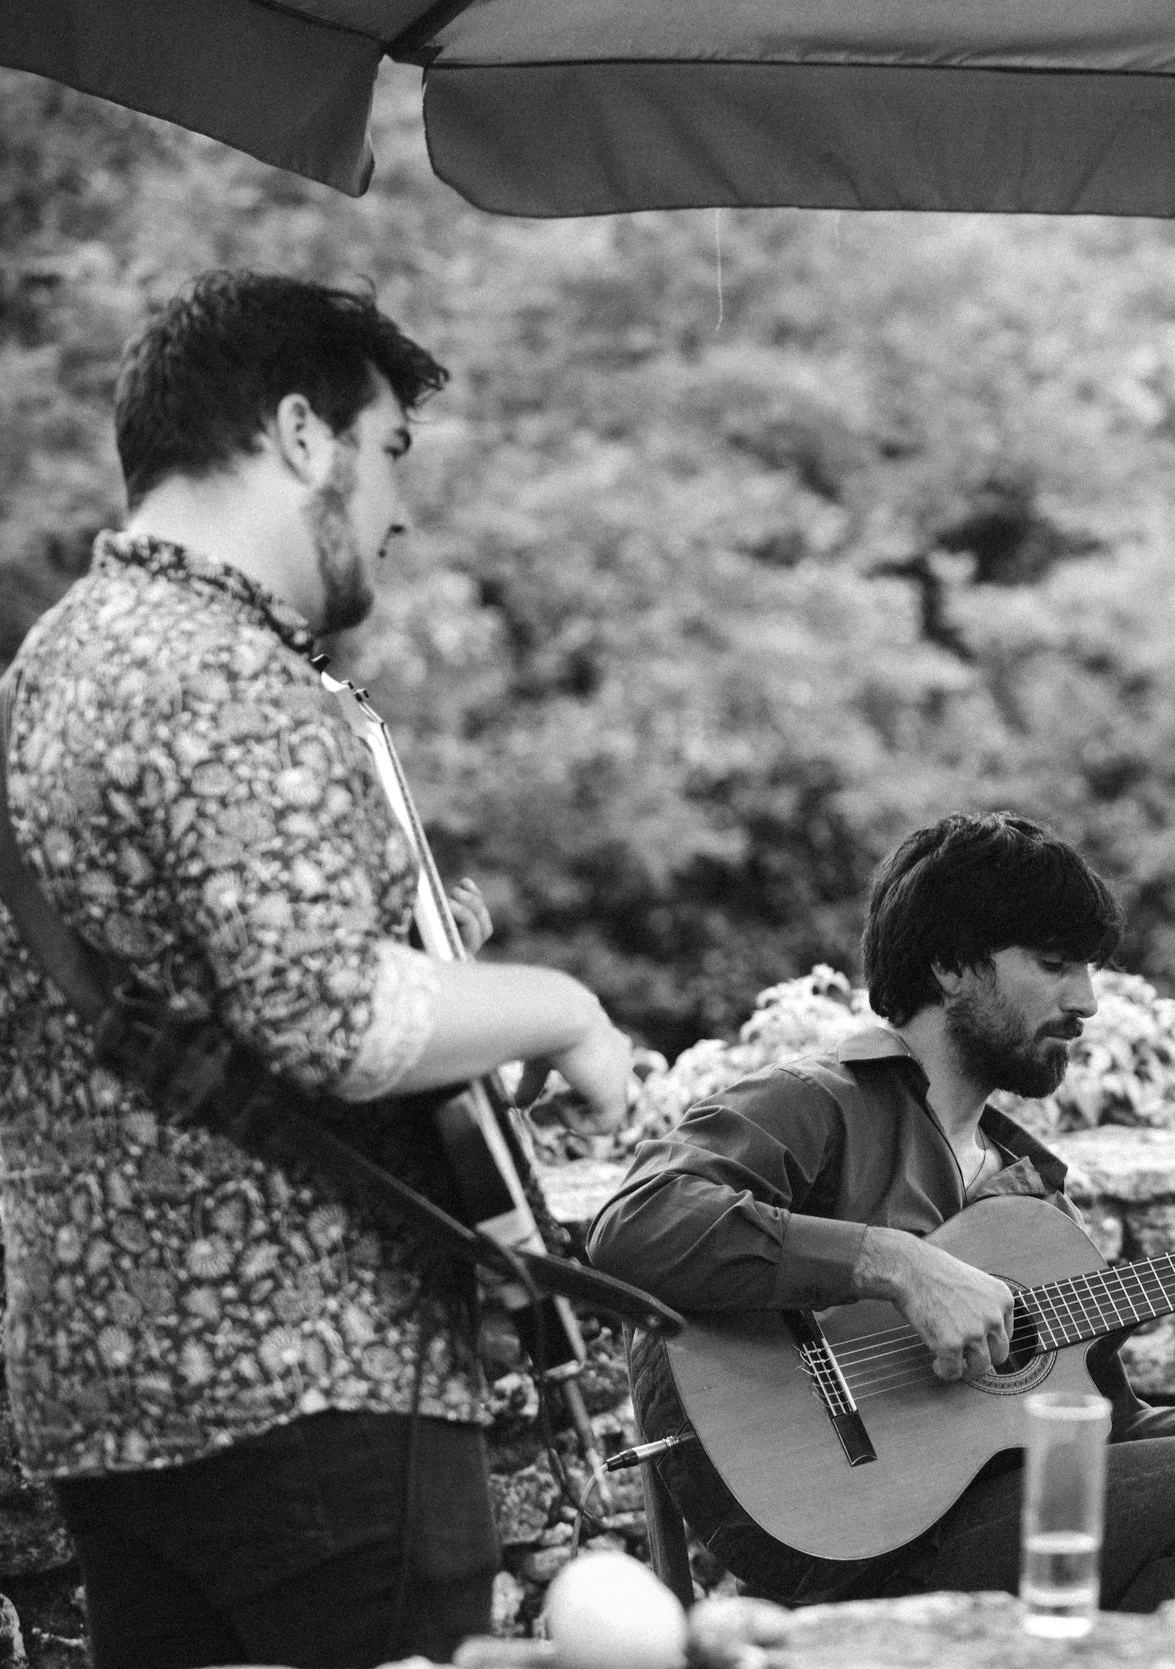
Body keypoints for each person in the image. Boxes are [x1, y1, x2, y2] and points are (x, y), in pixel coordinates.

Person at [0, 271, 638, 1668]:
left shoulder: (48, 666)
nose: (401, 509)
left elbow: (170, 1000)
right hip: (313, 1384)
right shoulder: (236, 675)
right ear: (301, 435)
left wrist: (447, 1005)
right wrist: (560, 1007)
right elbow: (326, 1015)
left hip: (107, 1391)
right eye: (388, 451)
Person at [589, 811, 1175, 1610]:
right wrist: (895, 1263)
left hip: (986, 1524)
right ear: (953, 965)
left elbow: (1102, 1441)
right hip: (857, 1542)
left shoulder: (1031, 1194)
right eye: (1057, 964)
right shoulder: (815, 1104)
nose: (1089, 1000)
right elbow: (633, 1225)